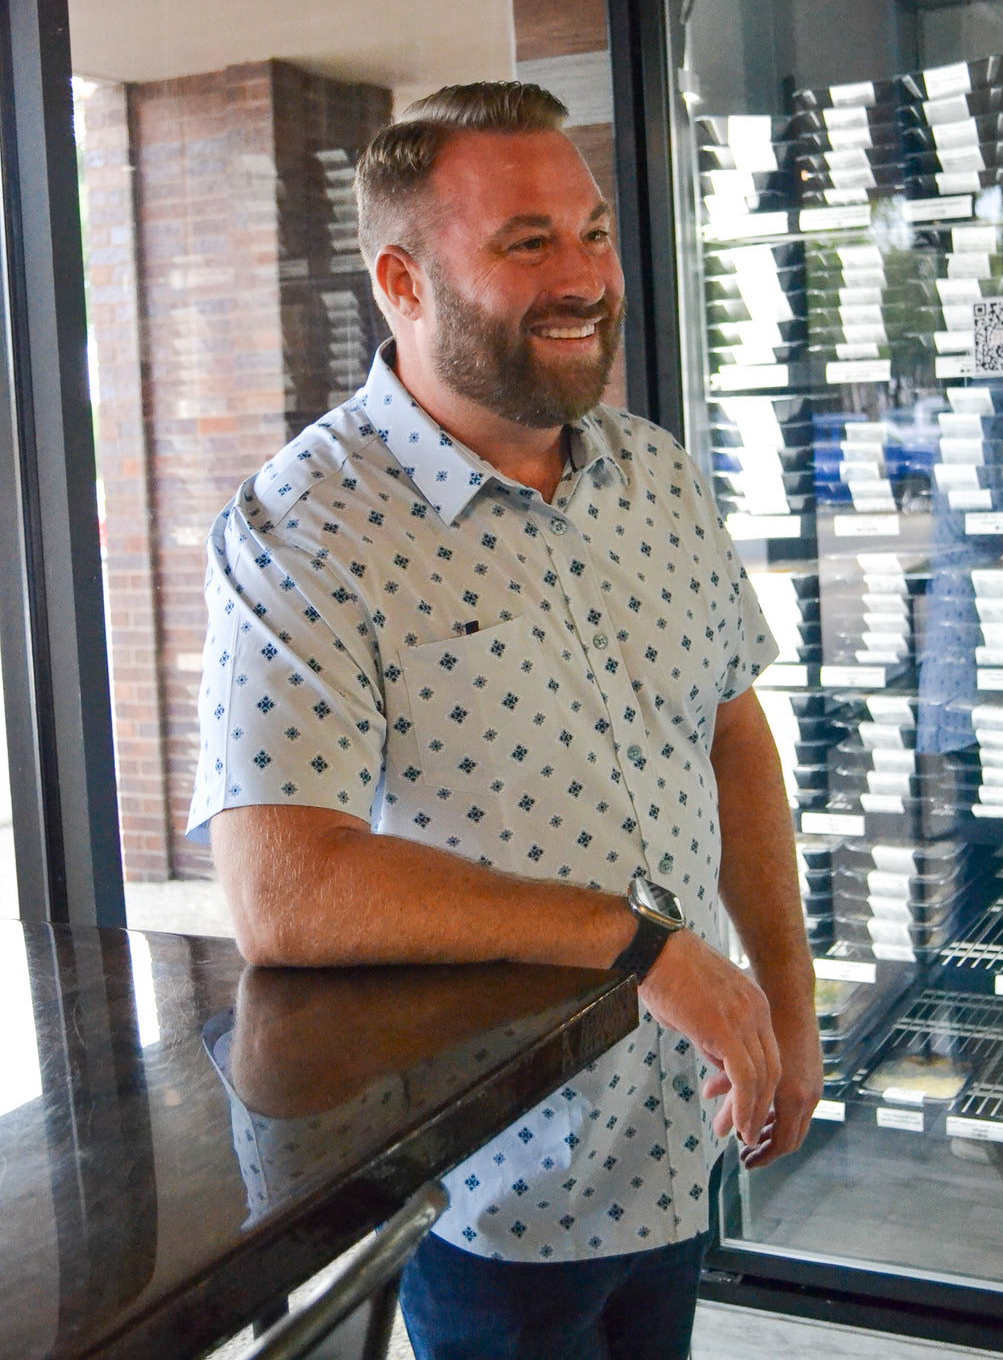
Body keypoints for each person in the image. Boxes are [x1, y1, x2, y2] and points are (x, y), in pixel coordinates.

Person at [187, 81, 822, 1360]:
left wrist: (786, 1000)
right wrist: (642, 949)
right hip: (490, 1179)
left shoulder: (654, 475)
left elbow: (728, 736)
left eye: (590, 232)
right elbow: (286, 893)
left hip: (677, 1124)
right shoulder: (302, 527)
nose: (584, 274)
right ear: (403, 283)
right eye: (526, 242)